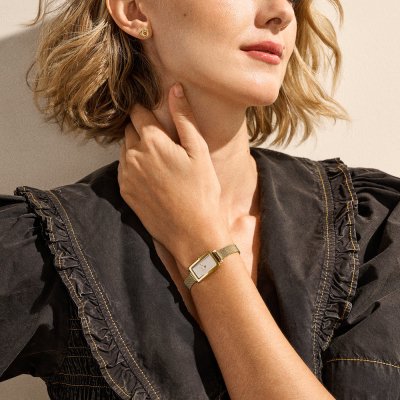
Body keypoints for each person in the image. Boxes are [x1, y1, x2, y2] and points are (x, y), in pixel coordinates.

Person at [1, 0, 399, 399]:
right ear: (135, 10)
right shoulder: (47, 245)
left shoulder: (373, 230)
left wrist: (200, 243)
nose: (281, 11)